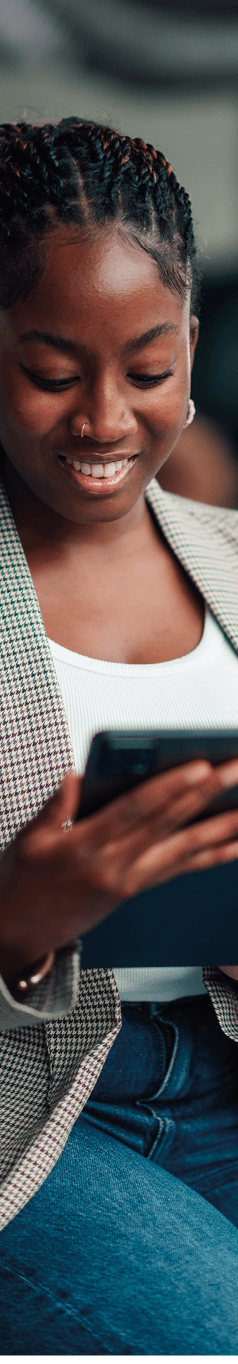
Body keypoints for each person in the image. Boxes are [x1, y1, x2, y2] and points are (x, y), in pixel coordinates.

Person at [1, 117, 238, 1356]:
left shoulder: (234, 565)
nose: (105, 419)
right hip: (30, 1116)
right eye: (53, 371)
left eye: (147, 370)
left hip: (218, 1059)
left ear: (190, 346)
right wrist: (16, 919)